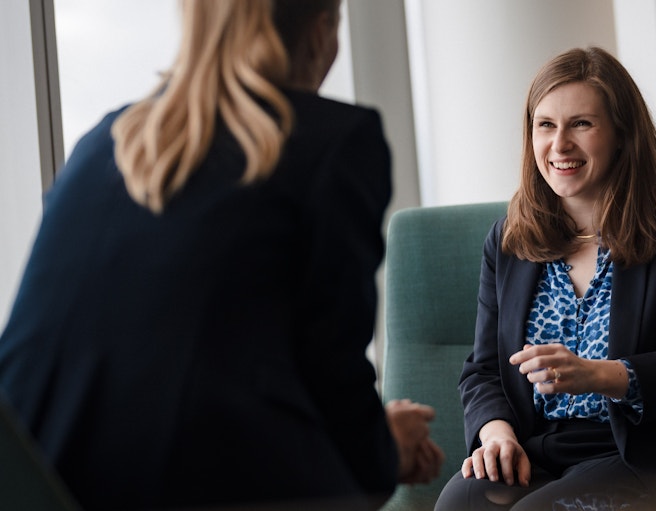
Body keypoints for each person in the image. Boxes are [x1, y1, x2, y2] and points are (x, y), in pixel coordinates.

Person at [0, 0, 442, 509]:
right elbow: (333, 375)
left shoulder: (103, 141)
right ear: (321, 34)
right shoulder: (332, 142)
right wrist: (386, 450)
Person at [434, 47, 656, 510]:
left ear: (621, 134)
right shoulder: (509, 240)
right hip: (534, 450)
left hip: (634, 454)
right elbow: (483, 369)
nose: (560, 145)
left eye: (581, 124)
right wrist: (496, 435)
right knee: (462, 503)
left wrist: (597, 375)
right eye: (546, 125)